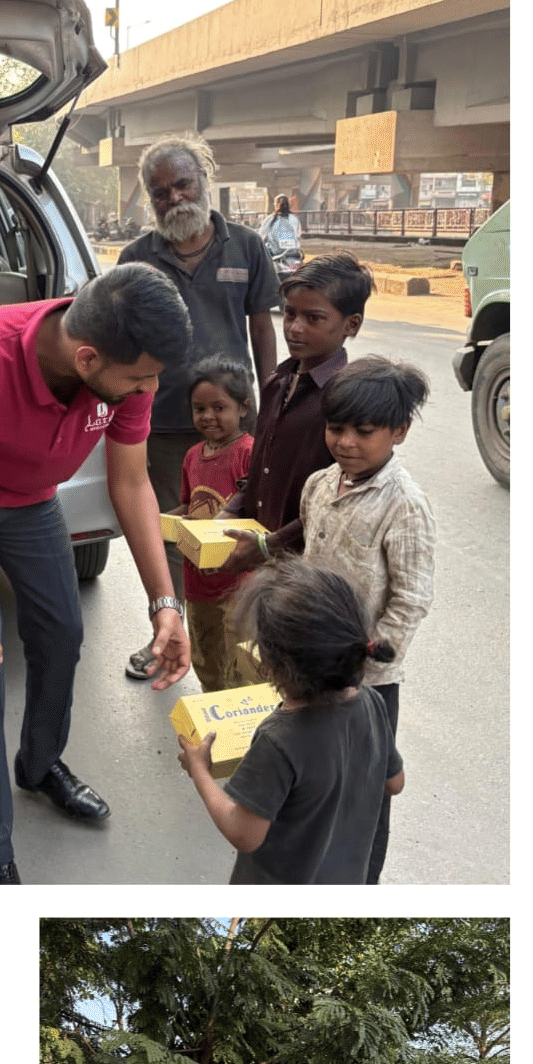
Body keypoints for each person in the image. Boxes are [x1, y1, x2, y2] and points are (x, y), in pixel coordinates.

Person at [0, 264, 194, 882]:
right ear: (86, 359)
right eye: (140, 379)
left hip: (32, 501)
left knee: (62, 634)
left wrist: (165, 603)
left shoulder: (128, 370)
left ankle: (40, 763)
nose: (149, 389)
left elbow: (132, 483)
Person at [117, 134, 280, 680]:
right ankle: (167, 634)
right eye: (159, 191)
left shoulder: (248, 247)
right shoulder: (135, 258)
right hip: (160, 422)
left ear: (204, 181)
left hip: (236, 422)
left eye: (183, 184)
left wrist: (270, 394)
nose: (174, 198)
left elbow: (261, 325)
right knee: (167, 533)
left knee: (238, 529)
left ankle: (243, 630)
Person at [178, 560, 405, 883]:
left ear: (268, 663)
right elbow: (394, 783)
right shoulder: (371, 702)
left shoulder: (278, 739)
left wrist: (199, 770)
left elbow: (245, 834)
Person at [299, 357, 435, 883]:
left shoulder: (404, 505)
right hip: (312, 669)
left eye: (365, 430)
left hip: (370, 682)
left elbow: (412, 599)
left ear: (399, 432)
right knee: (317, 778)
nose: (347, 442)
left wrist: (372, 658)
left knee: (366, 792)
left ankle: (360, 884)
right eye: (336, 428)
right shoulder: (317, 486)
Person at [217, 253, 373, 573]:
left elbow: (340, 503)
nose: (295, 328)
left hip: (308, 570)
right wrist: (231, 512)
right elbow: (261, 471)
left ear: (351, 324)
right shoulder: (276, 383)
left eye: (314, 318)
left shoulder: (345, 402)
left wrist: (269, 546)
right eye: (289, 314)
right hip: (264, 563)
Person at [165, 356, 256, 691]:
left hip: (240, 587)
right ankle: (213, 729)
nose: (208, 417)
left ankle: (240, 738)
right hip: (198, 583)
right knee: (207, 663)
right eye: (199, 408)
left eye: (219, 407)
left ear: (243, 408)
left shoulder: (249, 454)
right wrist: (157, 522)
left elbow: (257, 516)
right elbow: (189, 506)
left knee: (242, 669)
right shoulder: (192, 456)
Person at [260, 195, 304, 270]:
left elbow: (261, 236)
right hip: (293, 254)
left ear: (275, 205)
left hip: (275, 255)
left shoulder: (270, 219)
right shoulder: (294, 219)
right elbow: (298, 235)